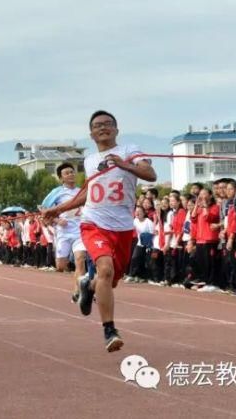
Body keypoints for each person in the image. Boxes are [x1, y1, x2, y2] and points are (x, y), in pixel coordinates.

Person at [41, 110, 156, 353]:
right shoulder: (90, 160)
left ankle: (87, 286)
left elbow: (150, 174)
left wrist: (124, 165)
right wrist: (58, 209)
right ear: (91, 133)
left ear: (116, 129)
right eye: (97, 125)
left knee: (109, 282)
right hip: (94, 223)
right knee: (105, 269)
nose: (102, 128)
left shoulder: (130, 150)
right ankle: (109, 330)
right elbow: (86, 194)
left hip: (123, 227)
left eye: (107, 124)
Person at [40, 163, 86, 301]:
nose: (71, 174)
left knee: (80, 260)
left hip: (80, 232)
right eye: (67, 173)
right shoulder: (56, 192)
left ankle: (78, 291)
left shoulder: (82, 192)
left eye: (72, 172)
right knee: (61, 266)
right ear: (61, 178)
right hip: (63, 233)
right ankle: (79, 282)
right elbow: (43, 210)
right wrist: (56, 220)